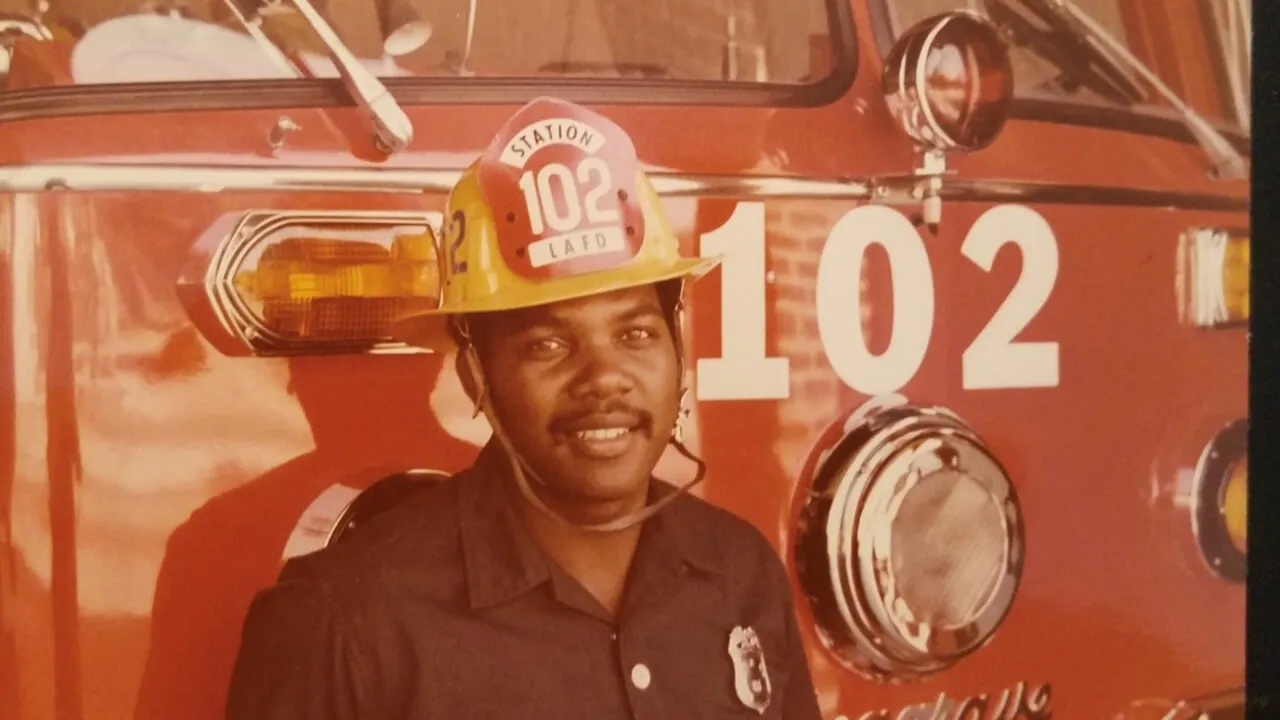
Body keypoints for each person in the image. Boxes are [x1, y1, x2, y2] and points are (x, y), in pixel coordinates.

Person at [224, 96, 822, 720]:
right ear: (476, 376)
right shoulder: (341, 620)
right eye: (549, 344)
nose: (604, 378)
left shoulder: (739, 571)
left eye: (636, 334)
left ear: (678, 350)